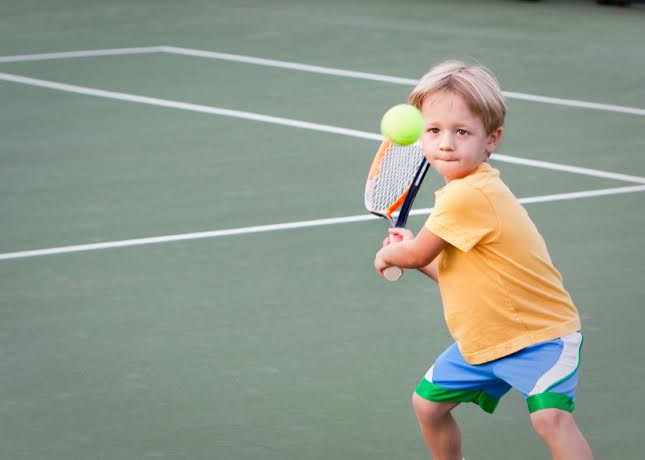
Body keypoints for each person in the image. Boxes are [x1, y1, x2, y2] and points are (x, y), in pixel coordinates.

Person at [373, 60, 594, 460]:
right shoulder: (465, 195)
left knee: (550, 419)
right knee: (428, 405)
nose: (445, 144)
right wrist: (412, 254)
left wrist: (393, 253)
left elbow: (418, 252)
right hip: (485, 339)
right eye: (434, 131)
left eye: (461, 132)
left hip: (538, 336)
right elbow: (451, 274)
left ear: (490, 140)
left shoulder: (466, 196)